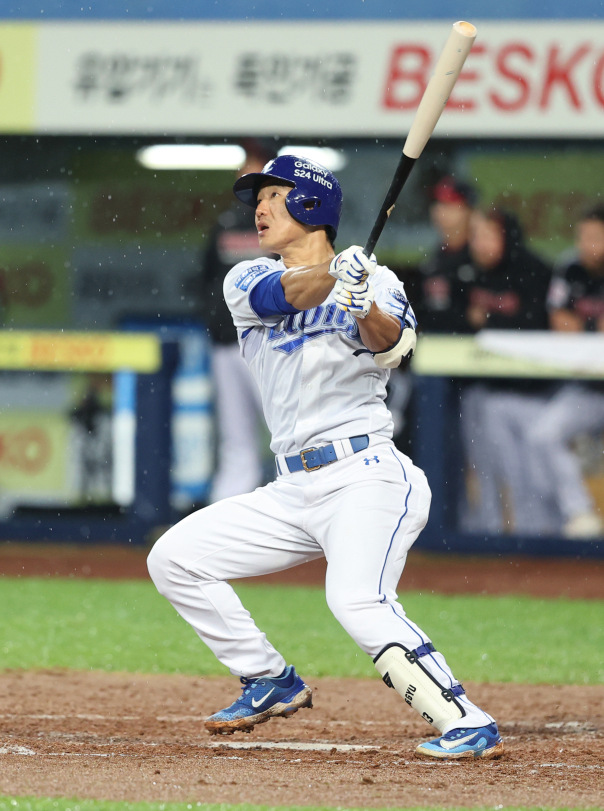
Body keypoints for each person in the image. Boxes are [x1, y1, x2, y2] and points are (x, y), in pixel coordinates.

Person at [148, 154, 504, 760]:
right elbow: (287, 292)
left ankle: (466, 721)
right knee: (174, 558)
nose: (258, 208)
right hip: (292, 489)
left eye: (272, 194)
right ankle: (268, 679)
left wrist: (363, 301)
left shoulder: (380, 281)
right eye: (255, 198)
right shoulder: (245, 278)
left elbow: (395, 347)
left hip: (368, 477)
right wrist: (338, 279)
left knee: (356, 599)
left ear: (310, 203)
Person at [458, 208, 555, 534]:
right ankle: (490, 538)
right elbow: (452, 322)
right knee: (489, 466)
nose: (479, 244)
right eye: (475, 236)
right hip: (490, 390)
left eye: (487, 236)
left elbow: (539, 326)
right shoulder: (469, 271)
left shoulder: (535, 269)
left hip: (537, 392)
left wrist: (489, 320)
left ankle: (544, 537)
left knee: (535, 469)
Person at [203, 140, 277, 502]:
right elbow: (204, 280)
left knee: (287, 434)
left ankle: (310, 514)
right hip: (225, 344)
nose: (246, 174)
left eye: (256, 168)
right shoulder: (225, 222)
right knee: (235, 440)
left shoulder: (282, 225)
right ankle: (224, 516)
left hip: (269, 345)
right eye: (245, 167)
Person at [526, 204, 604, 538]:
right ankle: (579, 514)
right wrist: (591, 326)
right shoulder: (570, 266)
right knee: (541, 436)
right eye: (583, 235)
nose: (588, 243)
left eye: (596, 237)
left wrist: (580, 325)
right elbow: (560, 322)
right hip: (586, 387)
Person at [420, 177, 476, 333]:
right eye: (437, 203)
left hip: (479, 350)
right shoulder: (433, 260)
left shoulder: (481, 257)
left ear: (467, 210)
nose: (439, 210)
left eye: (449, 204)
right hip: (436, 348)